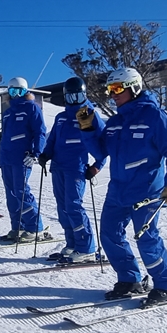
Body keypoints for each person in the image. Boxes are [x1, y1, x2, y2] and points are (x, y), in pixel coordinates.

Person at [78, 67, 167, 308]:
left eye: (117, 89)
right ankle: (129, 280)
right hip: (118, 189)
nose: (112, 94)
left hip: (146, 189)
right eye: (110, 90)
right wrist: (87, 130)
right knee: (109, 234)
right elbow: (101, 151)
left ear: (134, 88)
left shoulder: (155, 117)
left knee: (146, 237)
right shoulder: (115, 121)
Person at [37, 76, 105, 263]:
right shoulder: (61, 117)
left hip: (76, 168)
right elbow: (53, 140)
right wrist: (45, 154)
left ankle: (87, 247)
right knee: (63, 208)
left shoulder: (87, 114)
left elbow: (103, 143)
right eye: (71, 97)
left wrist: (96, 167)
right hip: (58, 167)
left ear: (83, 95)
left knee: (74, 206)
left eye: (78, 96)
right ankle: (73, 243)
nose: (74, 100)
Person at [0, 77, 49, 242]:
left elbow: (40, 132)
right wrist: (0, 149)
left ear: (25, 91)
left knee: (21, 191)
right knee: (11, 194)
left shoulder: (31, 108)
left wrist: (36, 153)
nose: (15, 95)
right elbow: (5, 135)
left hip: (21, 157)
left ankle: (35, 227)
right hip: (7, 157)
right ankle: (17, 226)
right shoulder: (8, 112)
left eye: (19, 91)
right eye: (12, 91)